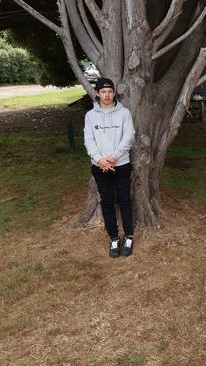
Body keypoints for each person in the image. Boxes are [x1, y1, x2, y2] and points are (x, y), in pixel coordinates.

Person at [83, 78, 136, 258]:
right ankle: (113, 237)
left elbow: (129, 136)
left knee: (124, 200)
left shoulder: (124, 113)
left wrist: (113, 157)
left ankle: (129, 235)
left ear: (114, 93)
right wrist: (100, 160)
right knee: (106, 202)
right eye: (103, 92)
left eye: (110, 91)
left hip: (120, 165)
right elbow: (89, 141)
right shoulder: (90, 116)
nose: (107, 95)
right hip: (100, 167)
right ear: (97, 93)